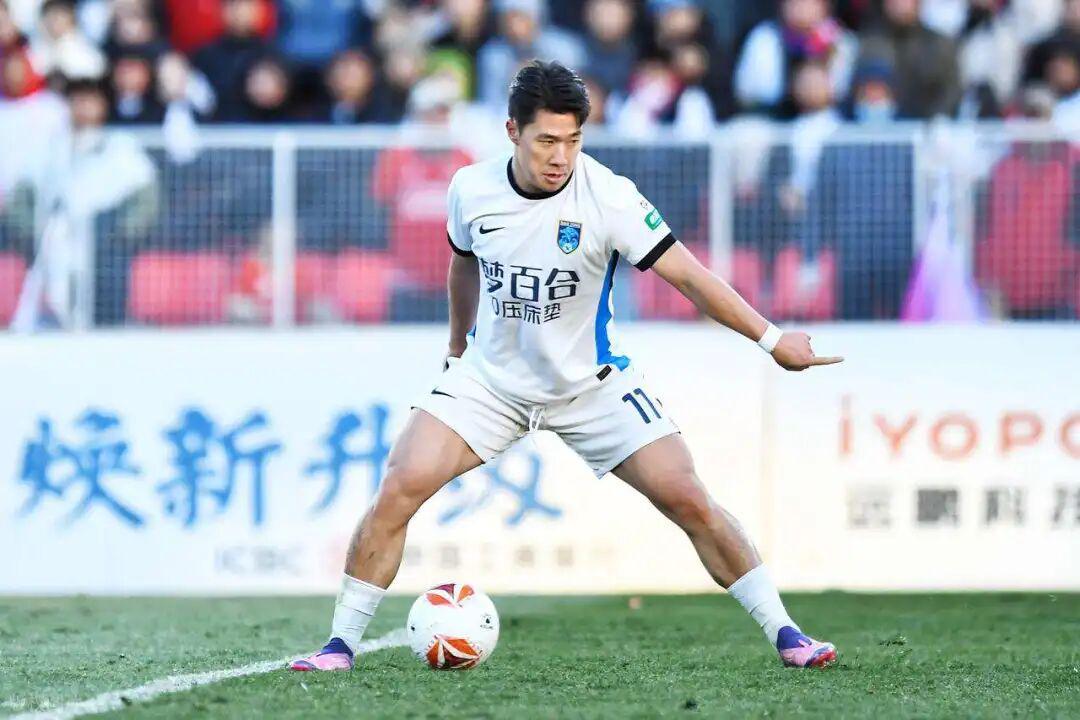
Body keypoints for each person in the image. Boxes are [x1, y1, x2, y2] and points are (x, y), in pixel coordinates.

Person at [289, 60, 842, 673]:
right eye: (546, 141)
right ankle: (339, 645)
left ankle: (787, 632)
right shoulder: (470, 188)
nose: (561, 157)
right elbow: (464, 262)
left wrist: (771, 339)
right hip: (491, 382)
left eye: (573, 140)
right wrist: (455, 348)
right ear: (512, 131)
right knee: (399, 484)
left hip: (591, 387)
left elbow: (689, 276)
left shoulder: (610, 196)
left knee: (688, 497)